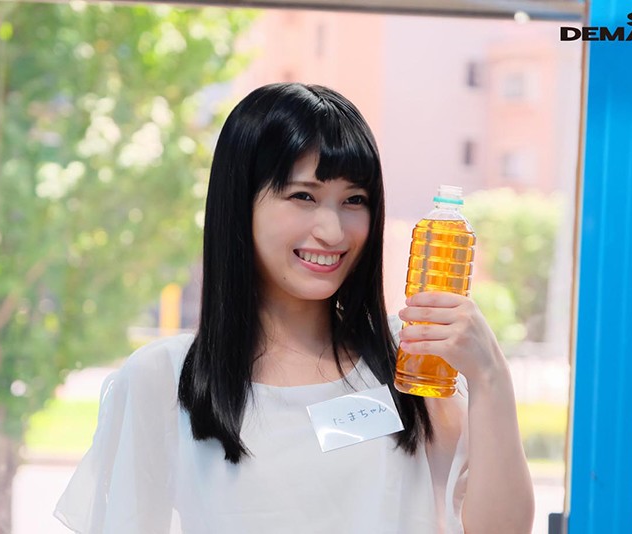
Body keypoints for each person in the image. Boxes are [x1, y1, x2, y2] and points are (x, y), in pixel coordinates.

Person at [54, 82, 534, 534]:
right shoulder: (164, 377)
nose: (333, 230)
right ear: (240, 202)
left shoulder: (412, 358)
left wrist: (491, 376)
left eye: (354, 200)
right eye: (303, 196)